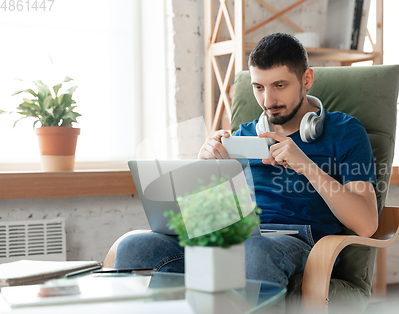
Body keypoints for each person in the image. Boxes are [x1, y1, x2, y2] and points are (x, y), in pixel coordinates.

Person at [115, 33, 378, 288]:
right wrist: (205, 168)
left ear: (306, 79)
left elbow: (366, 223)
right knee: (135, 246)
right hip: (236, 236)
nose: (268, 100)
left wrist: (306, 166)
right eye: (258, 87)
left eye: (280, 85)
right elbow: (211, 215)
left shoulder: (345, 131)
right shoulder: (242, 136)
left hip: (299, 241)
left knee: (253, 249)